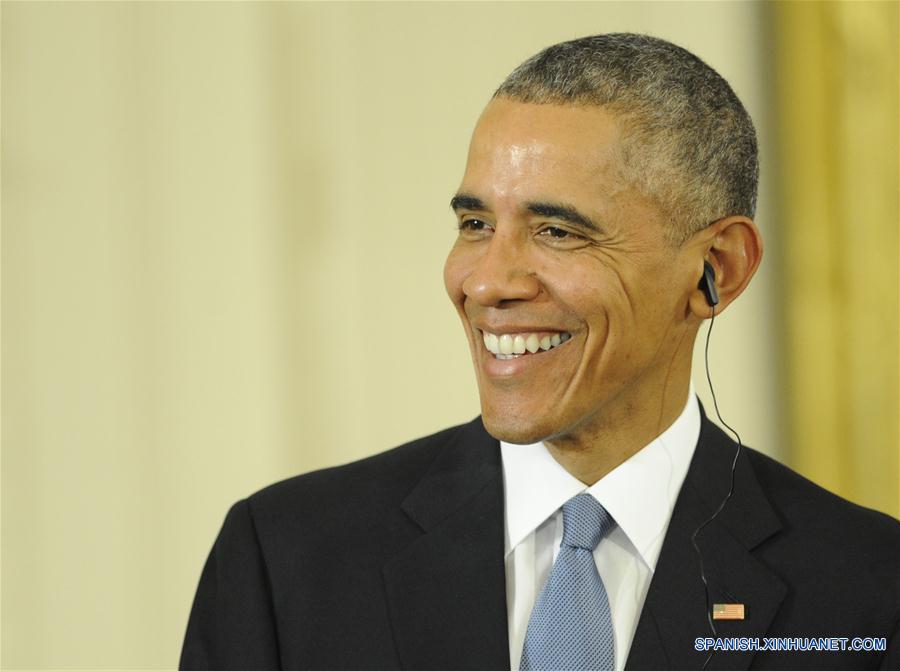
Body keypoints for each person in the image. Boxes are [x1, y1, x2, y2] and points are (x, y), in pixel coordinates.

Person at [180, 34, 898, 671]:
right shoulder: (286, 560)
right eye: (473, 222)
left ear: (717, 269)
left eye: (556, 230)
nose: (487, 280)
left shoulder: (870, 589)